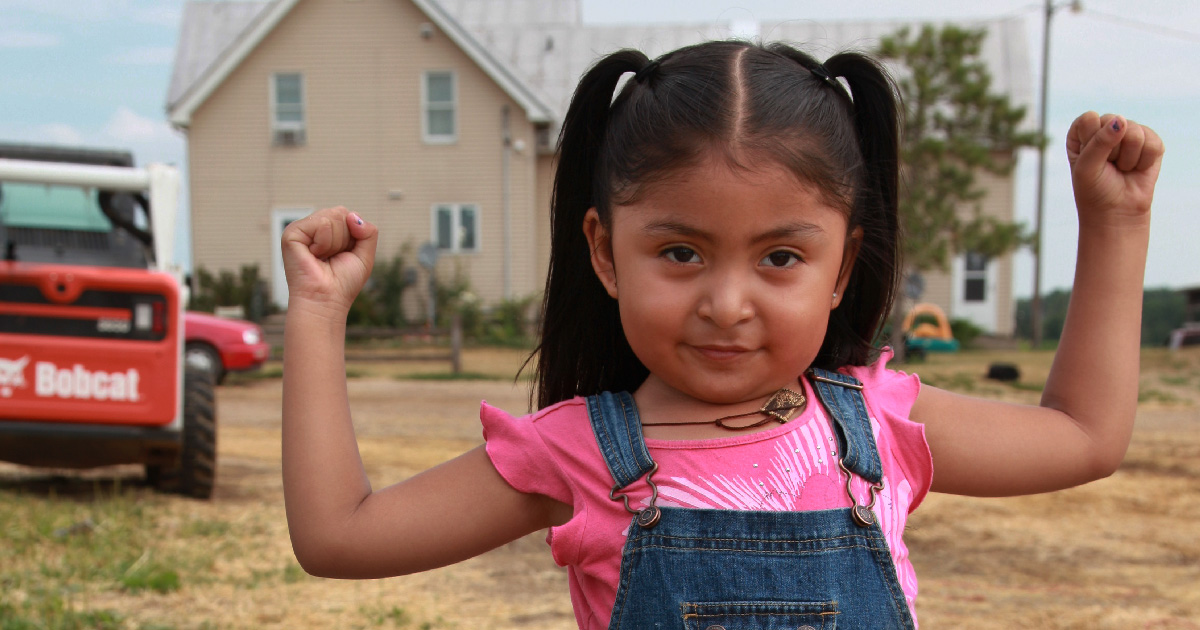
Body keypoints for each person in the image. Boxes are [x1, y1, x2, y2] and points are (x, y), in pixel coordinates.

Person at [279, 40, 1163, 629]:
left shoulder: (881, 426)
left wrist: (1115, 228)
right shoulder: (577, 449)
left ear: (843, 267)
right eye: (680, 252)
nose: (728, 302)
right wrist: (318, 316)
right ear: (605, 252)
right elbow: (340, 538)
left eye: (781, 256)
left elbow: (1084, 436)